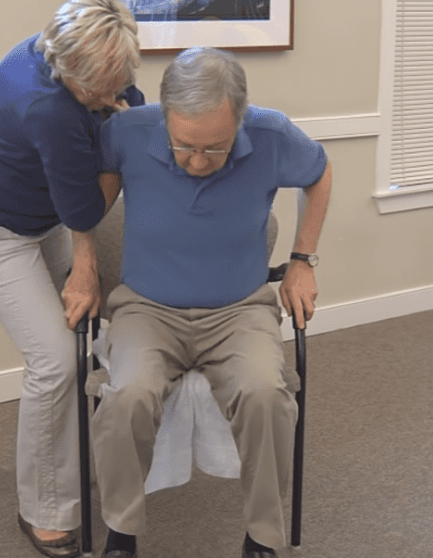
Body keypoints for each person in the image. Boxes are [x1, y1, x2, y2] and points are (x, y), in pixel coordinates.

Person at [91, 47, 331, 558]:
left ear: (239, 119)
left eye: (215, 149)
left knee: (267, 395)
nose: (198, 162)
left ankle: (262, 538)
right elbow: (86, 203)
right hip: (146, 309)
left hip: (239, 310)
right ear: (164, 117)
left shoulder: (272, 135)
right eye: (184, 147)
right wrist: (85, 266)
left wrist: (303, 257)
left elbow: (320, 173)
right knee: (127, 396)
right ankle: (122, 532)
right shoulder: (128, 132)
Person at [0, 1, 142, 556]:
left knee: (102, 325)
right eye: (93, 90)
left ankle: (95, 456)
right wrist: (84, 270)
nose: (106, 97)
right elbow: (86, 211)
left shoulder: (70, 56)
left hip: (44, 210)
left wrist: (114, 116)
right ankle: (45, 511)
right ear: (62, 65)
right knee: (55, 359)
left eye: (113, 80)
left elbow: (128, 106)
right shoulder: (43, 105)